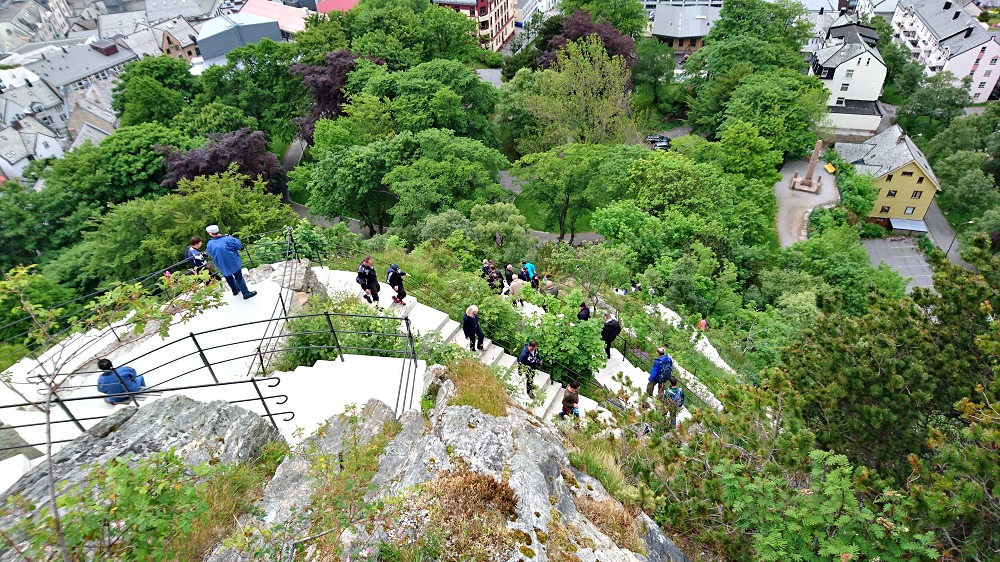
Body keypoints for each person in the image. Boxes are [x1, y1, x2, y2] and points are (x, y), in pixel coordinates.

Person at [205, 225, 257, 300]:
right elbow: (239, 245)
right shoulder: (227, 238)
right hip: (233, 262)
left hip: (221, 265)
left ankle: (235, 290)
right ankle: (246, 293)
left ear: (210, 233)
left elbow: (209, 253)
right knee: (239, 277)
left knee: (228, 278)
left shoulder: (210, 244)